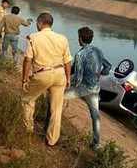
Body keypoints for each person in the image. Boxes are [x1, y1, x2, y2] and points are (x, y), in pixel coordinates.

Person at [21, 12, 72, 147]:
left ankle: (28, 130)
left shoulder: (33, 37)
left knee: (28, 99)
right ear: (51, 23)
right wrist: (68, 78)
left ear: (39, 23)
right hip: (60, 74)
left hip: (42, 74)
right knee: (57, 109)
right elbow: (67, 61)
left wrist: (25, 79)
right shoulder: (62, 38)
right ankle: (52, 140)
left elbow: (27, 60)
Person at [64, 27, 111, 150]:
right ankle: (96, 144)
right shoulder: (98, 50)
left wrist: (67, 84)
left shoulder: (80, 54)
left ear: (80, 39)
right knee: (96, 117)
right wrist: (98, 75)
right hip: (95, 88)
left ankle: (51, 126)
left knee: (58, 99)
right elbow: (108, 67)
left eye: (78, 37)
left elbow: (78, 78)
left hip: (83, 88)